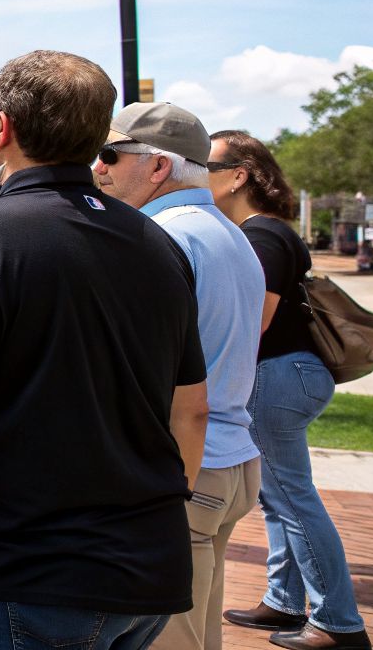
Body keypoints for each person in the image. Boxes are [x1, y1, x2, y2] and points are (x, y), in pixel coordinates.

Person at [0, 51, 210, 650]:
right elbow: (192, 411)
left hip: (25, 579)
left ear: (4, 127)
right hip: (149, 571)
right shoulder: (156, 244)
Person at [93, 104, 265, 650]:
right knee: (197, 635)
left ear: (159, 167)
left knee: (166, 642)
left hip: (183, 472)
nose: (97, 167)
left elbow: (135, 374)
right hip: (230, 464)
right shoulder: (230, 233)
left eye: (109, 155)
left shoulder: (157, 240)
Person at [209, 130, 371, 650]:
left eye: (207, 164)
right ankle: (283, 601)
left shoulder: (262, 236)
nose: (197, 172)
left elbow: (250, 323)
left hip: (279, 375)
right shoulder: (264, 232)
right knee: (278, 499)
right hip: (290, 374)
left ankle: (338, 624)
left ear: (240, 175)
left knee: (293, 499)